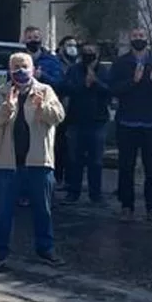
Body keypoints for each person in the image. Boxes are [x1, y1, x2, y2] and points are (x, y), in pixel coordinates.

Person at [0, 52, 67, 269]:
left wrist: (43, 107)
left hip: (38, 162)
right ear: (9, 69)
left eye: (24, 66)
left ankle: (46, 250)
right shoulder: (2, 92)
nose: (20, 70)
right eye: (15, 66)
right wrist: (7, 107)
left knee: (43, 210)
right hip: (7, 164)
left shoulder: (45, 90)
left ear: (33, 69)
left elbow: (59, 116)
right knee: (3, 212)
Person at [110, 26, 152, 223]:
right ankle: (127, 206)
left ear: (148, 38)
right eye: (135, 36)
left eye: (141, 36)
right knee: (126, 167)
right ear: (130, 38)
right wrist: (133, 81)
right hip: (127, 122)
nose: (138, 39)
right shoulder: (121, 62)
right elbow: (114, 89)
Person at [61, 38, 112, 204]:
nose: (88, 56)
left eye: (92, 53)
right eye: (86, 53)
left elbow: (109, 90)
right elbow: (66, 87)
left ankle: (95, 195)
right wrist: (84, 85)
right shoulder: (74, 70)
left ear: (97, 54)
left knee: (96, 161)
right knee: (75, 159)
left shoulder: (103, 70)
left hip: (98, 121)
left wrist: (94, 82)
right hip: (76, 120)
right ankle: (73, 192)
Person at [53, 35, 82, 185]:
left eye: (74, 45)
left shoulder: (79, 64)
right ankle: (57, 178)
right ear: (62, 47)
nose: (72, 48)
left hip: (74, 112)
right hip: (59, 109)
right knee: (58, 147)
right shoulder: (56, 63)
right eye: (69, 44)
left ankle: (70, 181)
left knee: (72, 150)